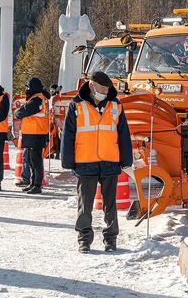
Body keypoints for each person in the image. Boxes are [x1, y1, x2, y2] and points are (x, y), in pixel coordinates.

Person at [61, 71, 132, 253]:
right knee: (85, 205)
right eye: (102, 88)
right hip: (86, 161)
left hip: (110, 160)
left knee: (110, 204)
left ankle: (111, 239)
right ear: (91, 86)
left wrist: (126, 160)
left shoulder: (116, 105)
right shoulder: (77, 105)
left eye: (108, 89)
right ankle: (84, 239)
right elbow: (68, 135)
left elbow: (123, 134)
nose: (105, 92)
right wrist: (68, 161)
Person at [14, 77, 50, 194]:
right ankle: (34, 183)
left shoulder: (37, 99)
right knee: (31, 160)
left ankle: (37, 185)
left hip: (36, 133)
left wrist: (17, 112)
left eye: (27, 87)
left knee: (36, 161)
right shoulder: (38, 98)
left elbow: (22, 112)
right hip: (33, 133)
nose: (26, 89)